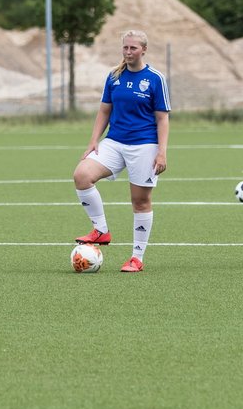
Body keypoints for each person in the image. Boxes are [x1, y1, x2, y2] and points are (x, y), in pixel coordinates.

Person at [72, 30, 170, 273]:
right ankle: (101, 231)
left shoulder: (155, 78)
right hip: (114, 141)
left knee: (140, 201)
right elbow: (104, 110)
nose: (128, 52)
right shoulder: (114, 76)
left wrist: (162, 152)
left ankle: (136, 257)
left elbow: (162, 118)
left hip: (145, 144)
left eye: (133, 48)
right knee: (82, 175)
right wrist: (93, 141)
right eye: (125, 48)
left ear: (143, 50)